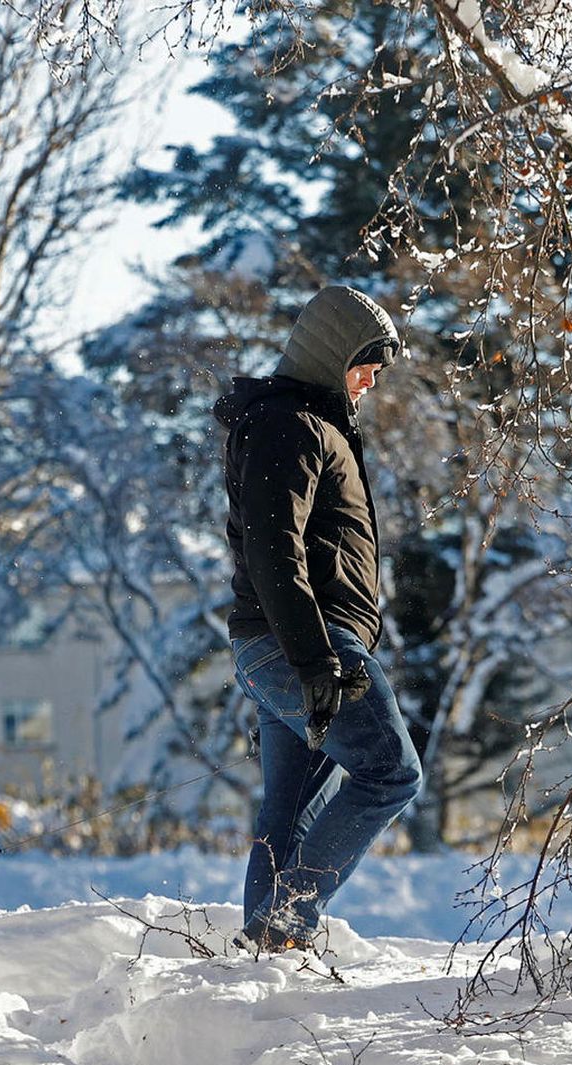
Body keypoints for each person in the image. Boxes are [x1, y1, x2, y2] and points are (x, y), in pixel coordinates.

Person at [212, 284, 423, 953]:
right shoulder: (290, 424)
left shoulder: (307, 424)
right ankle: (284, 924)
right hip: (304, 644)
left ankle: (265, 963)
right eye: (367, 362)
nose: (372, 379)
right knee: (391, 771)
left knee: (287, 816)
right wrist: (314, 659)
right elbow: (277, 549)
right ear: (334, 353)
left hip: (289, 647)